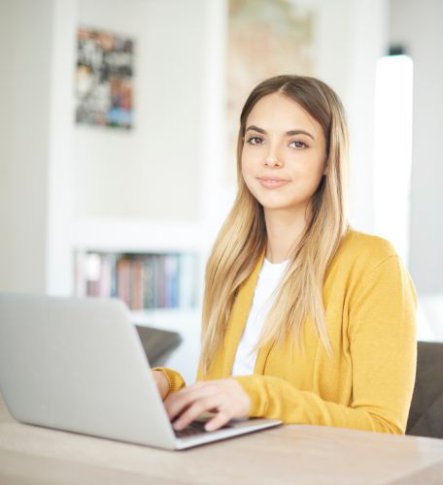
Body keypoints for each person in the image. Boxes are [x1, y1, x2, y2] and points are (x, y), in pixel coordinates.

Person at [152, 74, 417, 435]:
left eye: (297, 144)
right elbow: (228, 401)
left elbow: (384, 429)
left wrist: (261, 396)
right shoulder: (231, 261)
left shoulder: (372, 265)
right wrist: (169, 386)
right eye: (257, 139)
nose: (271, 159)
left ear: (328, 159)